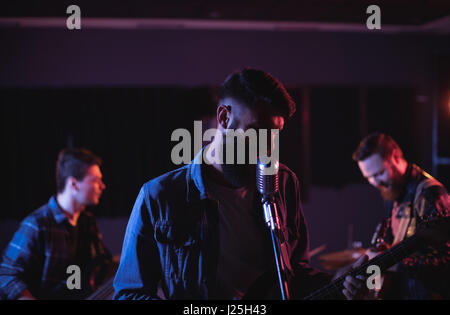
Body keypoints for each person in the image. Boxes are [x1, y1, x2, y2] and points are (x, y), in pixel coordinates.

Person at [114, 68, 368, 300]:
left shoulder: (284, 182)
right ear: (224, 118)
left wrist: (336, 282)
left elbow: (294, 273)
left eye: (274, 135)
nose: (267, 148)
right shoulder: (160, 195)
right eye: (257, 131)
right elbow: (129, 294)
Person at [0, 148, 113, 300]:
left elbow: (78, 276)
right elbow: (6, 274)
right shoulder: (37, 224)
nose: (102, 186)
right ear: (74, 184)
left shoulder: (87, 222)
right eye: (95, 180)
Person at [353, 133, 450, 299]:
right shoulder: (393, 192)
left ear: (396, 157)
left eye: (379, 173)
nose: (376, 183)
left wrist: (395, 263)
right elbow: (390, 250)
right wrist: (374, 271)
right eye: (368, 177)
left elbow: (446, 262)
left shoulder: (430, 193)